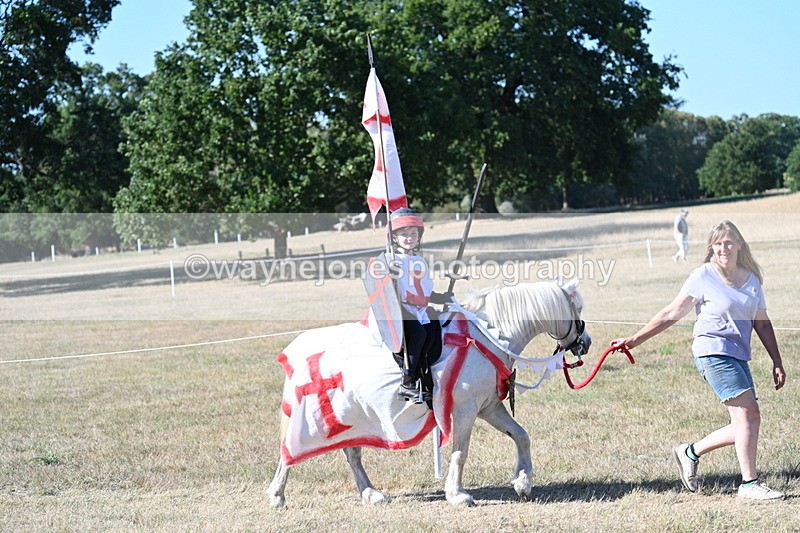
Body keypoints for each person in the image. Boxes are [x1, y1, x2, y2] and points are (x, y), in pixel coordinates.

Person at [611, 220, 787, 500]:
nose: (723, 248)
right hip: (712, 351)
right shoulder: (703, 275)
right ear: (711, 248)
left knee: (748, 421)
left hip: (739, 353)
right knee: (747, 416)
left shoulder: (752, 279)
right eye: (717, 243)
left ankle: (689, 452)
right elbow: (671, 313)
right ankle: (749, 484)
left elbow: (762, 323)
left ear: (739, 244)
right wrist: (634, 340)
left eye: (728, 242)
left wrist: (777, 361)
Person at [387, 208, 451, 401]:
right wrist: (391, 273)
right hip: (401, 310)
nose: (409, 238)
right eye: (404, 234)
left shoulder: (418, 260)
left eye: (413, 233)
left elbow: (423, 290)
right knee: (418, 333)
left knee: (433, 330)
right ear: (394, 237)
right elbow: (386, 289)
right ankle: (407, 382)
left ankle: (426, 380)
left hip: (420, 309)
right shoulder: (391, 259)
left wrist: (440, 298)